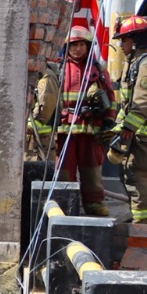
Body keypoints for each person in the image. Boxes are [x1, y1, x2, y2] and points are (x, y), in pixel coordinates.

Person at [29, 24, 115, 216]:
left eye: (82, 45)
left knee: (91, 169)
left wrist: (109, 120)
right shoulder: (59, 68)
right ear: (67, 47)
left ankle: (94, 204)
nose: (78, 49)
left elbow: (111, 98)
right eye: (74, 45)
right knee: (64, 170)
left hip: (90, 128)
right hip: (64, 128)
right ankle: (67, 204)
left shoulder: (98, 70)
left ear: (88, 46)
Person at [109, 14, 147, 224]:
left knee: (142, 177)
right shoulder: (134, 62)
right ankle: (139, 221)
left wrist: (128, 128)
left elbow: (143, 101)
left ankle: (145, 227)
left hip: (144, 135)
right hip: (137, 133)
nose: (121, 44)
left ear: (135, 40)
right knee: (132, 176)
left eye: (124, 40)